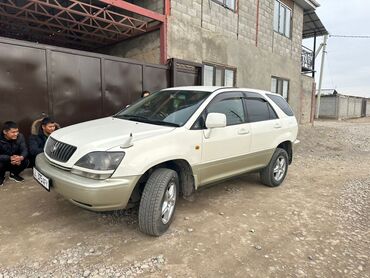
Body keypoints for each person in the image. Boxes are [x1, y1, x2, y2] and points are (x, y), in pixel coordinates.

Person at [0, 121, 29, 186]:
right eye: (13, 132)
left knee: (26, 161)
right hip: (4, 161)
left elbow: (24, 149)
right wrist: (9, 158)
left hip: (16, 160)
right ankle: (1, 176)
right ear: (5, 132)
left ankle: (13, 174)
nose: (16, 134)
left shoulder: (20, 136)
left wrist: (20, 157)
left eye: (17, 131)